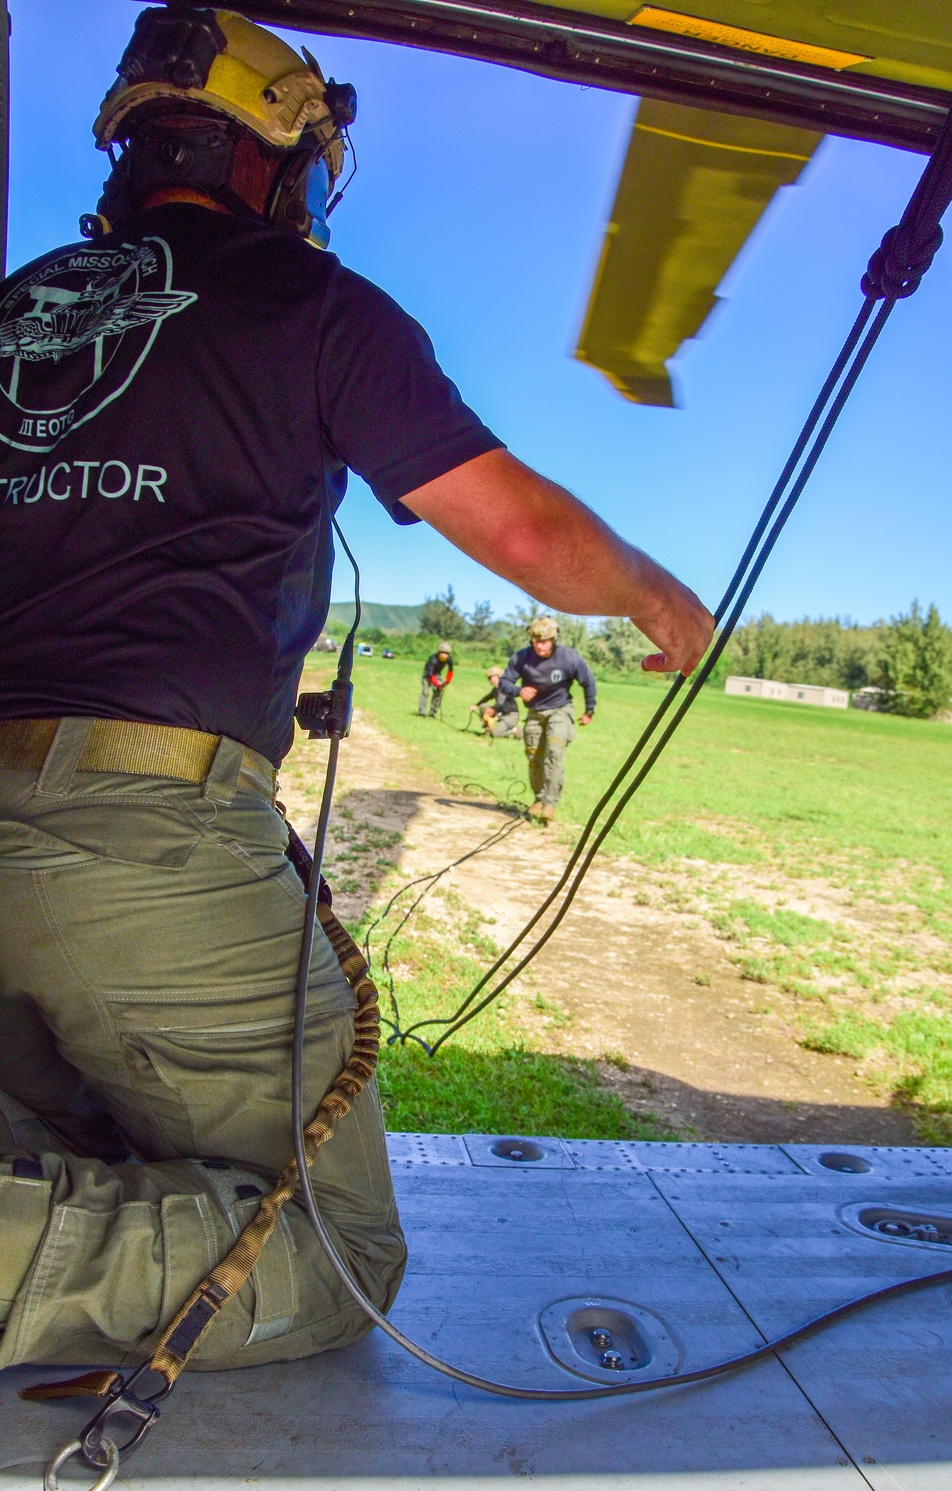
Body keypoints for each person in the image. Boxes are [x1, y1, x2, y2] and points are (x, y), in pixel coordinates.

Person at [0, 8, 712, 1379]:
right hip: (145, 844)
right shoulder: (308, 304)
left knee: (73, 1149)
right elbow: (518, 535)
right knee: (327, 1254)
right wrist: (655, 596)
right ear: (283, 156)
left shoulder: (16, 303)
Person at [500, 618, 597, 820]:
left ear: (554, 639)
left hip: (560, 709)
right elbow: (504, 682)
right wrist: (519, 690)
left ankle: (550, 804)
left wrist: (589, 710)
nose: (540, 645)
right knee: (534, 756)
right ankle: (538, 798)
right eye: (536, 640)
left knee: (554, 752)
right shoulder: (522, 658)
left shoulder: (569, 658)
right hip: (535, 712)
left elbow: (588, 682)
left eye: (545, 641)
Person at [471, 665, 520, 738]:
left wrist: (492, 711)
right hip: (501, 713)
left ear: (500, 677)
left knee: (494, 734)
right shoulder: (495, 690)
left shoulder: (505, 688)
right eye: (490, 678)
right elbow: (487, 697)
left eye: (495, 677)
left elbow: (500, 703)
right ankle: (487, 728)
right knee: (483, 706)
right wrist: (476, 705)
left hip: (510, 716)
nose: (493, 679)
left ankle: (514, 730)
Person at [418, 641, 454, 718]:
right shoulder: (433, 659)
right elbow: (430, 675)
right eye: (442, 652)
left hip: (437, 674)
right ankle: (422, 712)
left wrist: (447, 681)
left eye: (446, 653)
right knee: (425, 692)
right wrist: (438, 685)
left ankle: (432, 712)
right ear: (439, 652)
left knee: (438, 693)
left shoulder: (449, 659)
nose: (444, 655)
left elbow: (450, 671)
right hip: (428, 674)